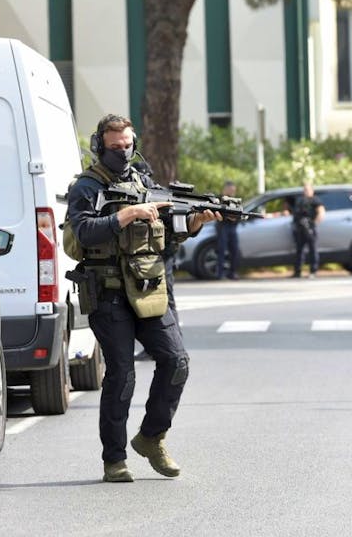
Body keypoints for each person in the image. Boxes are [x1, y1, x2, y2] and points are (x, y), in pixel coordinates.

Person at [67, 114, 219, 483]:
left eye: (127, 146)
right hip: (108, 293)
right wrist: (128, 213)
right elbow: (83, 231)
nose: (122, 152)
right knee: (122, 375)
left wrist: (194, 224)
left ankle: (152, 437)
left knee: (176, 361)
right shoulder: (86, 187)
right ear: (100, 146)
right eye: (115, 147)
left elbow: (165, 232)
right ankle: (114, 459)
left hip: (149, 287)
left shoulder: (143, 181)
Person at [289, 181, 325, 278]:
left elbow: (321, 213)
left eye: (308, 189)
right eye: (305, 189)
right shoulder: (300, 200)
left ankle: (313, 271)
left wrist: (313, 225)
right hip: (300, 229)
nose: (306, 191)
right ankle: (298, 271)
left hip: (310, 229)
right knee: (299, 251)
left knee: (312, 250)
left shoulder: (315, 200)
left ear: (312, 190)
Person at [216, 181, 241, 280]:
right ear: (226, 189)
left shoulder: (235, 200)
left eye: (234, 190)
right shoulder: (220, 199)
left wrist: (235, 218)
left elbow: (239, 213)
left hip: (233, 227)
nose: (233, 192)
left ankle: (232, 272)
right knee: (221, 250)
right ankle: (220, 273)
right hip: (223, 226)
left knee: (234, 250)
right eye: (231, 190)